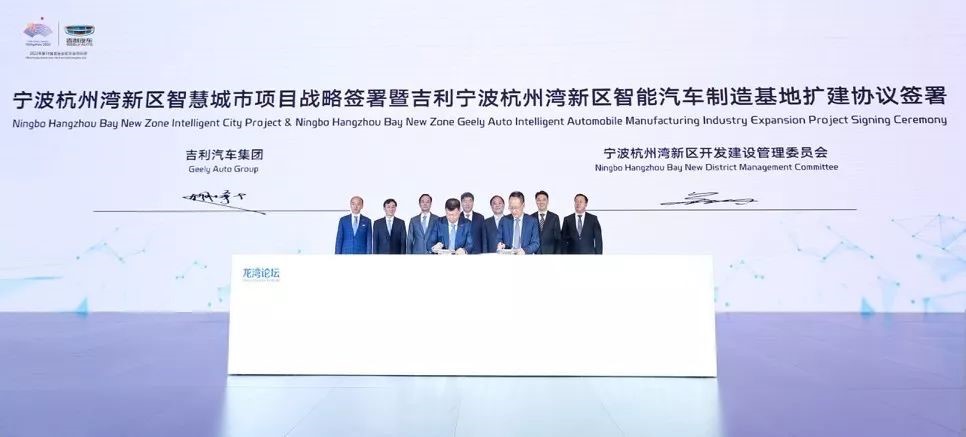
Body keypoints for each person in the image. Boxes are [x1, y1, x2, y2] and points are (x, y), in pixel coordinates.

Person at [531, 190, 562, 254]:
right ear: (536, 201)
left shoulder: (554, 217)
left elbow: (558, 239)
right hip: (535, 253)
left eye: (544, 200)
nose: (541, 202)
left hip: (550, 253)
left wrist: (557, 255)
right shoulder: (531, 217)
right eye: (539, 200)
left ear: (547, 201)